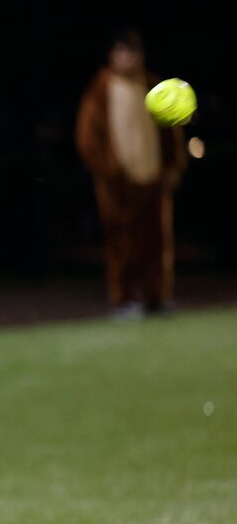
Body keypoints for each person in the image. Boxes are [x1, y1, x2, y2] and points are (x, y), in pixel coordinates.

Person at [75, 29, 187, 319]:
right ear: (112, 57)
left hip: (152, 178)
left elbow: (172, 133)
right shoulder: (100, 90)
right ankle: (123, 299)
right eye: (120, 52)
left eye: (131, 52)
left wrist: (173, 166)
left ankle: (156, 297)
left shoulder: (153, 86)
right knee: (121, 244)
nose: (125, 58)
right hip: (119, 184)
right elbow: (88, 139)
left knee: (157, 242)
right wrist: (108, 173)